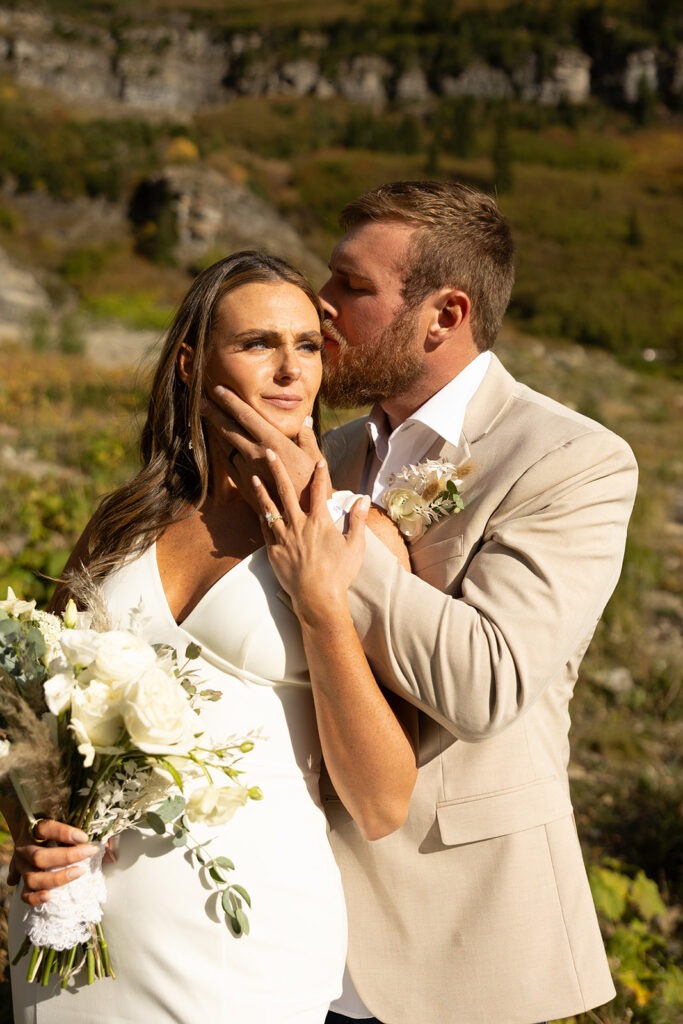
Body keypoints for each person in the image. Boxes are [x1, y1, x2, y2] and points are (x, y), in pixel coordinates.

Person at [202, 181, 639, 1024]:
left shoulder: (570, 460)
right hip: (293, 932)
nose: (319, 307)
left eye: (350, 287)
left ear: (443, 315)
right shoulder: (324, 447)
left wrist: (328, 528)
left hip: (462, 942)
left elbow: (487, 684)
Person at [7, 250, 418, 1024]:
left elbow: (382, 800)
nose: (290, 369)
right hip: (76, 921)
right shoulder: (123, 521)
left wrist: (321, 601)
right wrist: (33, 829)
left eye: (306, 346)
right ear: (194, 365)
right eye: (259, 343)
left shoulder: (356, 535)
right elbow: (34, 712)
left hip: (243, 934)